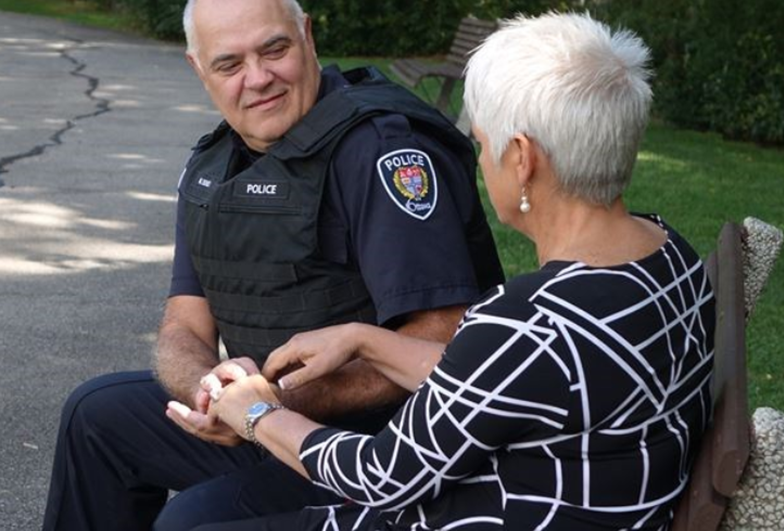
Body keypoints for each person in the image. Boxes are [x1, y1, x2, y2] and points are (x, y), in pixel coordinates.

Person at [202, 11, 717, 531]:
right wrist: (365, 339)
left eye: (481, 143)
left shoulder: (530, 321)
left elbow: (382, 476)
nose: (479, 158)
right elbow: (502, 381)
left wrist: (256, 413)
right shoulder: (670, 250)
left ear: (522, 159)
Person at [40, 0, 504, 529]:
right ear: (199, 69)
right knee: (95, 415)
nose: (258, 79)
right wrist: (208, 393)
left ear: (307, 36)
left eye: (274, 49)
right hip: (266, 419)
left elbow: (443, 340)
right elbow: (183, 325)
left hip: (382, 447)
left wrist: (266, 408)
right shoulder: (212, 165)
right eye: (230, 64)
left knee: (189, 521)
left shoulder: (379, 150)